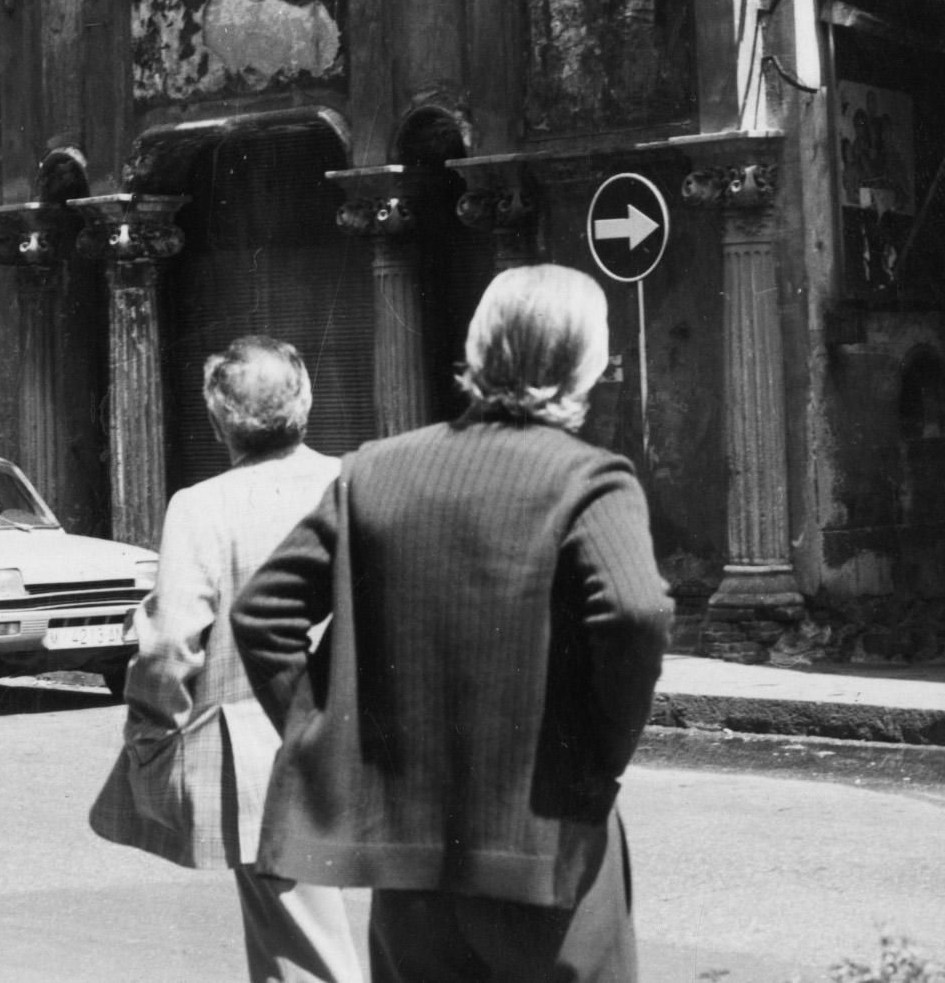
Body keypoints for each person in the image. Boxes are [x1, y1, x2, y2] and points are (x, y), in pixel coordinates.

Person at [232, 265, 673, 983]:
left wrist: (330, 738)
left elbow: (262, 612)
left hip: (407, 861)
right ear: (583, 364)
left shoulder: (376, 468)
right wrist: (599, 752)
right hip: (546, 845)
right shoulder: (589, 478)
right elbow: (635, 610)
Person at [89, 336, 360, 983]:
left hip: (260, 753)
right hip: (355, 736)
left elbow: (168, 643)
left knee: (303, 946)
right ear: (307, 401)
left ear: (218, 422)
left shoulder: (202, 505)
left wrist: (149, 731)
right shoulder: (349, 482)